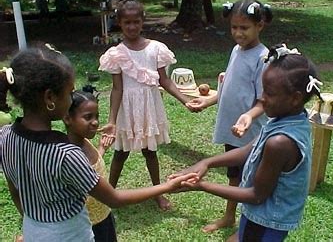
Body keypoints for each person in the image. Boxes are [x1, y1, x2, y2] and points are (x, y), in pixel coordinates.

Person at [0, 44, 197, 242]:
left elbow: (16, 193)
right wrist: (168, 186)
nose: (71, 99)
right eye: (69, 93)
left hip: (34, 231)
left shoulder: (5, 137)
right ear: (50, 97)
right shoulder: (65, 154)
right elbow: (114, 199)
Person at [171, 44, 323, 242]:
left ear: (295, 98)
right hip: (259, 215)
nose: (262, 99)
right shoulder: (289, 118)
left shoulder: (280, 143)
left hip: (267, 220)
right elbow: (249, 149)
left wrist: (202, 186)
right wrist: (206, 162)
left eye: (269, 93)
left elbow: (256, 195)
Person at [186, 0, 273, 233]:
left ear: (260, 26)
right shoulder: (236, 50)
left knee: (251, 180)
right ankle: (230, 216)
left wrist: (249, 117)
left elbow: (263, 100)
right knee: (234, 176)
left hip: (250, 133)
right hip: (232, 130)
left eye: (244, 28)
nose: (238, 33)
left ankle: (249, 223)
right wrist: (208, 100)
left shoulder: (263, 58)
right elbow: (229, 86)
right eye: (234, 27)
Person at [98, 0, 192, 211]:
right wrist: (112, 120)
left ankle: (158, 193)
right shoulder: (116, 54)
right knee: (120, 153)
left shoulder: (156, 49)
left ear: (143, 21)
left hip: (148, 108)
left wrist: (185, 100)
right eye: (127, 22)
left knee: (150, 152)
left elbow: (165, 81)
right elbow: (117, 88)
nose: (132, 27)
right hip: (126, 110)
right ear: (119, 23)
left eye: (136, 22)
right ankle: (108, 194)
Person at [63, 89, 116, 242]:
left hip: (104, 215)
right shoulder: (71, 157)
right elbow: (115, 198)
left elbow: (92, 169)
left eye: (97, 116)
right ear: (67, 118)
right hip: (87, 227)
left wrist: (102, 149)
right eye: (88, 117)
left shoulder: (84, 141)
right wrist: (168, 186)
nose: (95, 122)